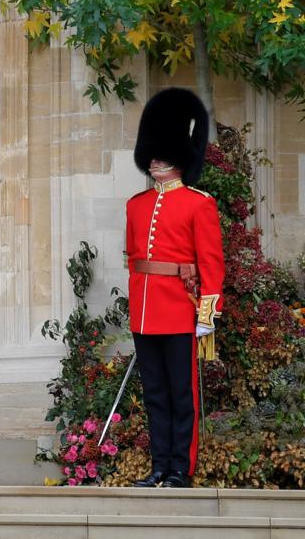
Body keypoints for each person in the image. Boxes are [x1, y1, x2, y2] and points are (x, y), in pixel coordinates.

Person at [126, 88, 224, 489]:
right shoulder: (136, 204)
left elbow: (212, 265)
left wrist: (207, 315)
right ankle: (160, 467)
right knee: (155, 396)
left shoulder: (199, 203)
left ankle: (181, 469)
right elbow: (132, 260)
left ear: (178, 155)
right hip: (146, 313)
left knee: (183, 396)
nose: (153, 158)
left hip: (181, 312)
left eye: (161, 151)